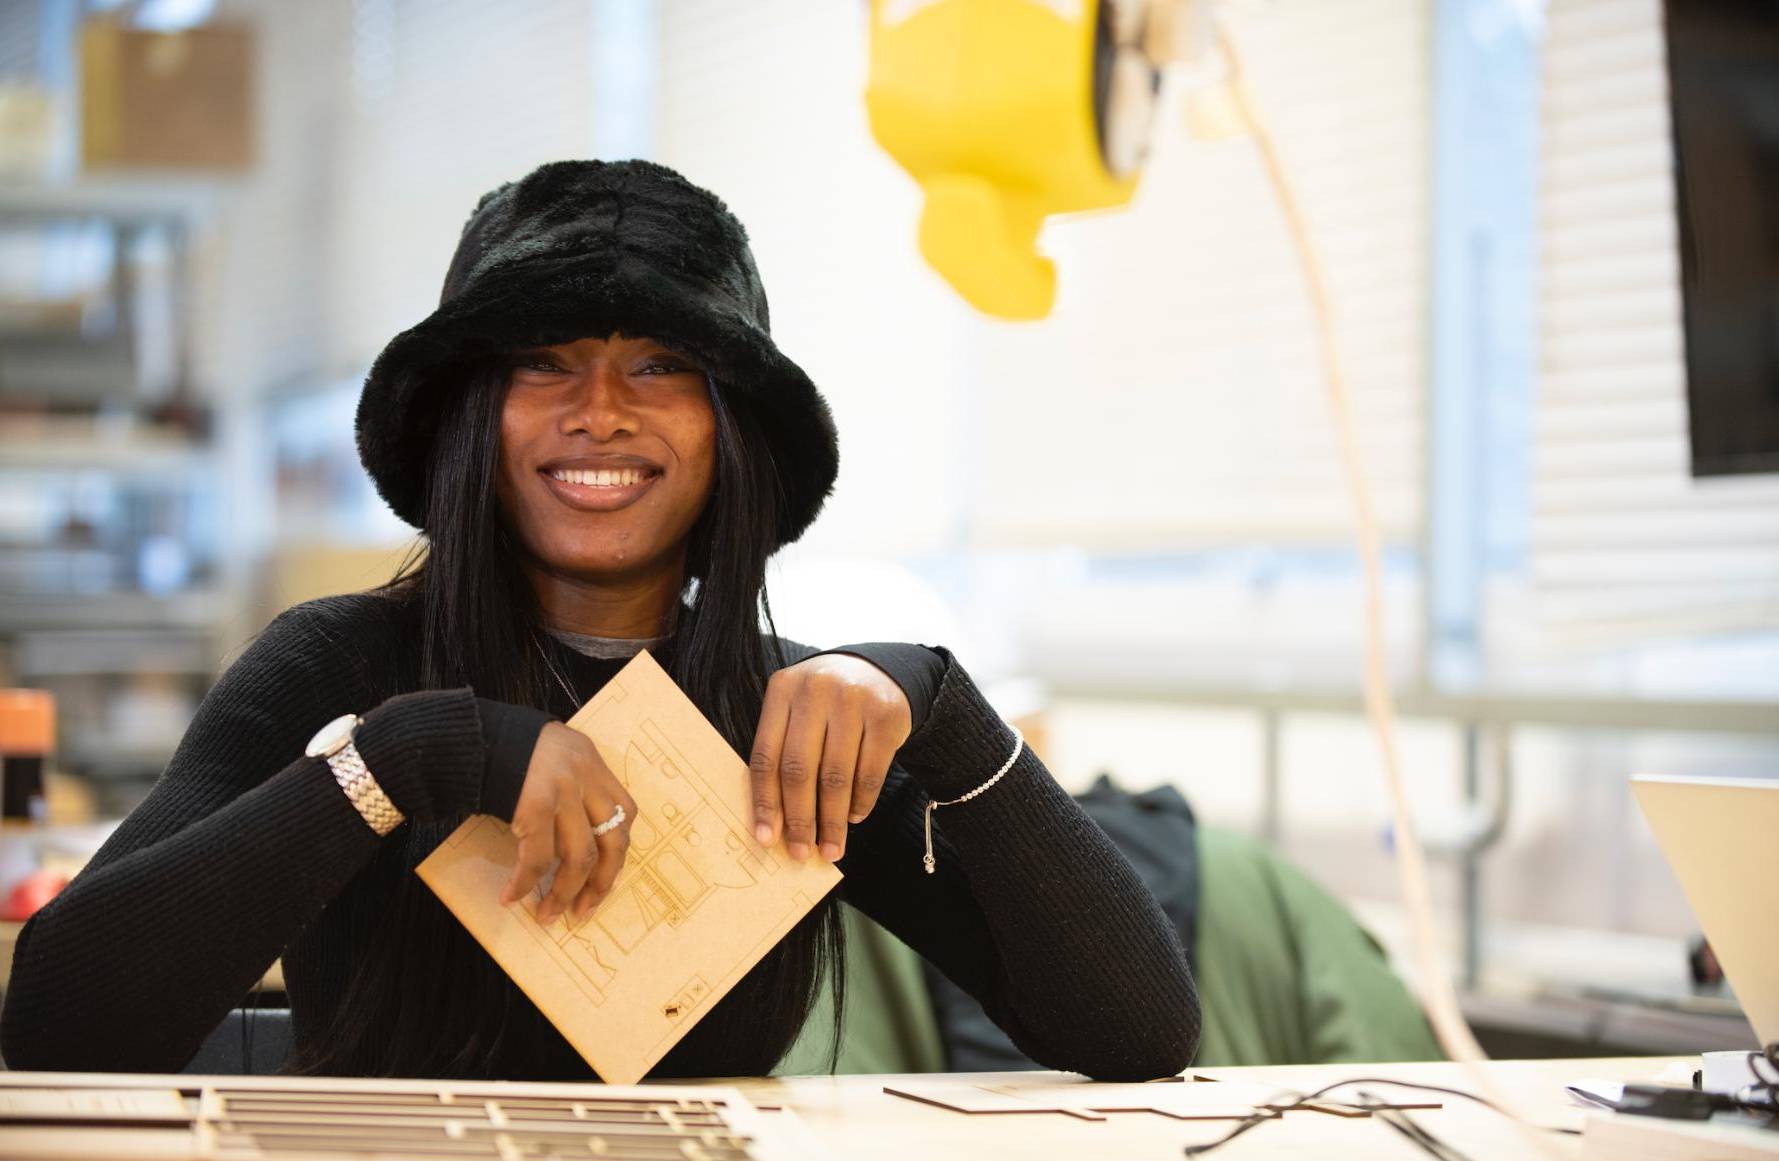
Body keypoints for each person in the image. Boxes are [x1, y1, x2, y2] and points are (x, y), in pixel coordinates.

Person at [0, 160, 1198, 1082]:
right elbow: (57, 1023)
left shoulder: (781, 730)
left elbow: (1138, 1031)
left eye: (665, 367)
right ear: (471, 414)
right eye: (545, 363)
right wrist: (412, 755)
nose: (604, 413)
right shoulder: (340, 661)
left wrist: (937, 702)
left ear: (736, 432)